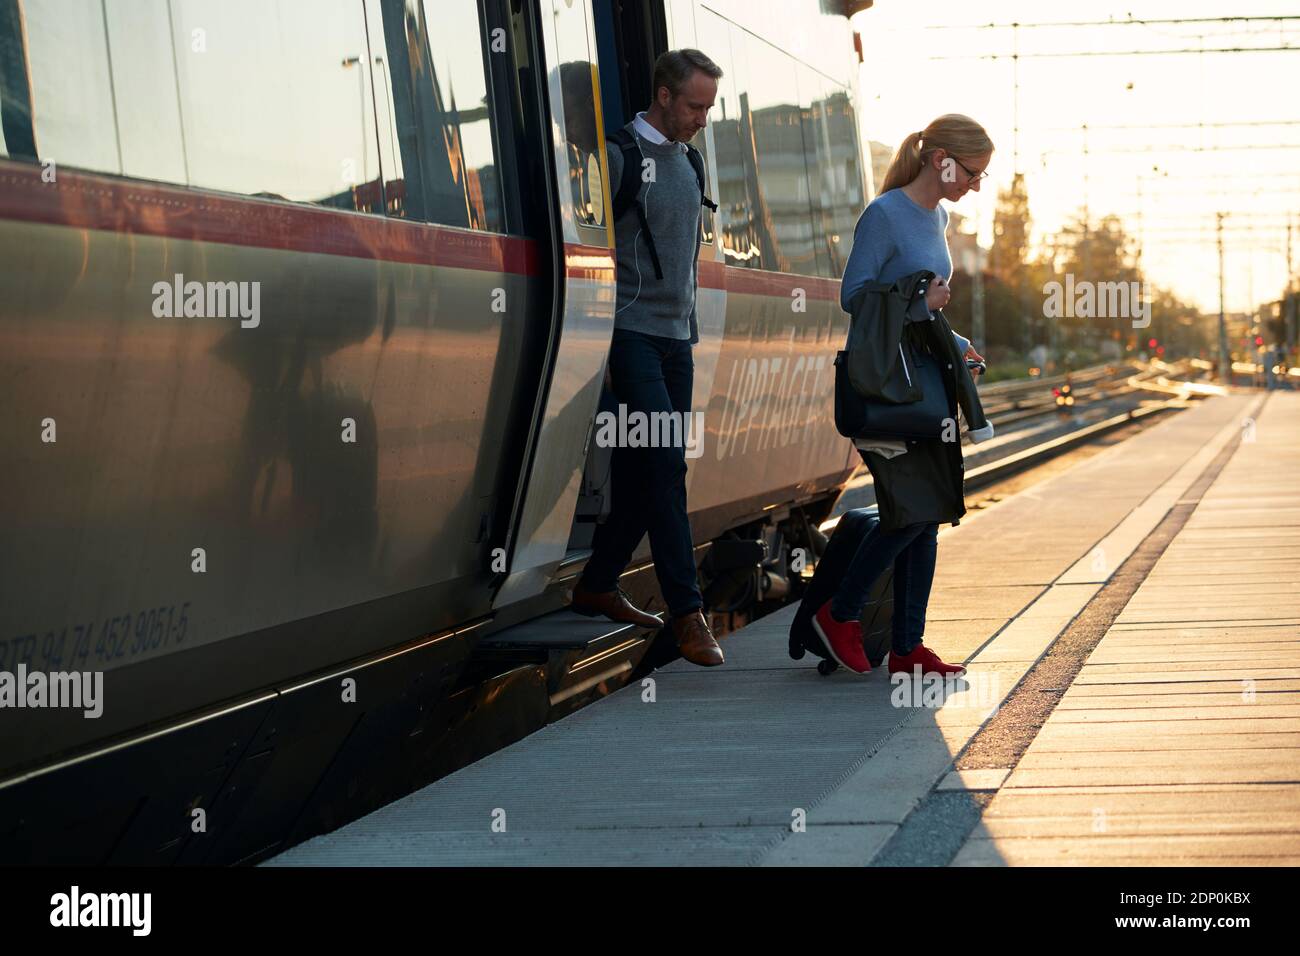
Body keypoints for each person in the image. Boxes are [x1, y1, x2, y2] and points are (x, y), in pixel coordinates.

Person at [813, 114, 994, 677]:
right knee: (912, 510)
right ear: (940, 158)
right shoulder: (885, 214)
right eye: (972, 172)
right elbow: (854, 296)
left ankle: (907, 647)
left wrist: (959, 343)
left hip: (926, 382)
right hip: (885, 386)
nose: (975, 186)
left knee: (930, 509)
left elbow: (926, 308)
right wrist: (922, 305)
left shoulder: (937, 215)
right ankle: (839, 614)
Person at [568, 49, 726, 667]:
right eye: (695, 106)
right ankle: (689, 616)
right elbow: (590, 251)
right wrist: (597, 341)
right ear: (664, 96)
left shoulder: (689, 162)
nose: (702, 120)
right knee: (664, 468)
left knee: (645, 474)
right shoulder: (619, 160)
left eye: (709, 107)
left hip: (674, 342)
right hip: (630, 336)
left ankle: (598, 584)